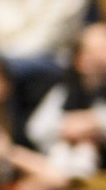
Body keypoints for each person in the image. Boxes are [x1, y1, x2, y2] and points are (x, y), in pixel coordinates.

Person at [29, 22, 106, 178]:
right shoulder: (65, 90)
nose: (101, 55)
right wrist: (67, 126)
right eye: (94, 50)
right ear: (79, 59)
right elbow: (36, 130)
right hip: (64, 171)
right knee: (61, 150)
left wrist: (95, 121)